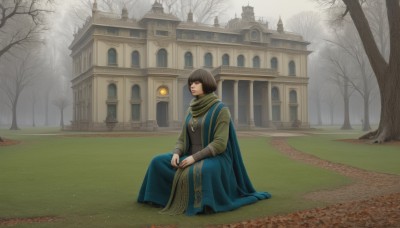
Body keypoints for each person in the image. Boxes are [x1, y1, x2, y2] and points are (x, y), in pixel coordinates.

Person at [137, 68, 271, 215]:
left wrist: (194, 158)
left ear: (206, 84)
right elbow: (182, 139)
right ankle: (158, 198)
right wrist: (176, 153)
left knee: (200, 170)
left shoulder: (221, 109)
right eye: (190, 83)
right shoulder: (191, 110)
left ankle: (201, 205)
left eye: (196, 82)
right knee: (157, 161)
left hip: (215, 158)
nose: (192, 86)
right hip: (188, 155)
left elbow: (219, 144)